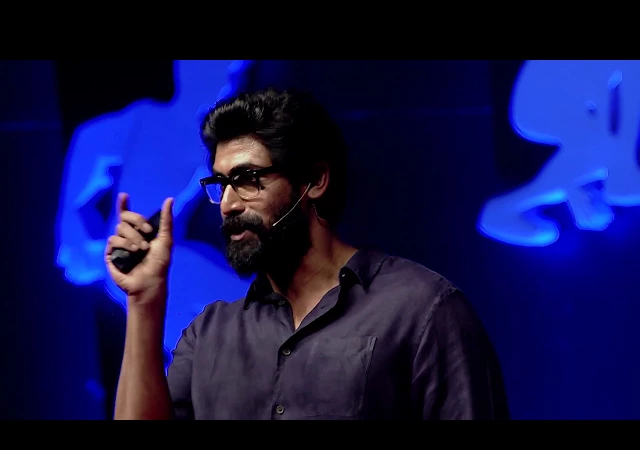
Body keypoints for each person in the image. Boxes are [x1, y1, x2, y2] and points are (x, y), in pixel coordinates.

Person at [106, 87, 510, 420]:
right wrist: (144, 302)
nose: (228, 203)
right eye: (221, 184)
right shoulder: (210, 334)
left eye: (247, 179)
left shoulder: (420, 311)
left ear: (314, 180)